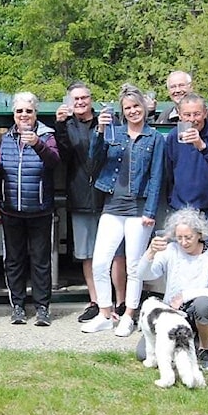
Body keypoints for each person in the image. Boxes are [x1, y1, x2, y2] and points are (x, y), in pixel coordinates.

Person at [81, 84, 165, 336]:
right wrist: (100, 130)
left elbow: (156, 177)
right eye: (127, 108)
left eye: (136, 106)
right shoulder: (113, 133)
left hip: (138, 209)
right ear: (122, 111)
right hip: (112, 205)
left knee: (135, 267)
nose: (132, 111)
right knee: (100, 263)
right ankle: (106, 314)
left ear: (145, 108)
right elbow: (93, 159)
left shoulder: (155, 138)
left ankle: (129, 314)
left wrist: (150, 211)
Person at [54, 81, 126, 323]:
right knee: (88, 253)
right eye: (76, 99)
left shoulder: (106, 120)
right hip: (80, 196)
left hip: (109, 196)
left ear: (91, 99)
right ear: (69, 102)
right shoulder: (67, 125)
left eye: (85, 97)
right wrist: (60, 126)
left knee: (116, 252)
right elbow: (62, 156)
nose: (81, 102)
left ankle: (121, 302)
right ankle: (96, 301)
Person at [136, 208, 208, 371]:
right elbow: (144, 275)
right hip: (173, 312)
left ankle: (204, 349)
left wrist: (187, 295)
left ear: (199, 234)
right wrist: (150, 253)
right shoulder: (170, 250)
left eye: (188, 237)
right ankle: (182, 345)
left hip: (200, 310)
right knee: (143, 354)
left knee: (204, 304)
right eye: (179, 237)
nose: (183, 242)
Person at [0, 92, 61, 326]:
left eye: (28, 111)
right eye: (19, 111)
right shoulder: (6, 138)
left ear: (36, 113)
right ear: (14, 114)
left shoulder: (47, 135)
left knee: (40, 261)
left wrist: (38, 144)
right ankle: (18, 307)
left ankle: (42, 307)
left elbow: (54, 161)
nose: (24, 115)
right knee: (14, 260)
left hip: (40, 210)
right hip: (11, 210)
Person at [164, 92, 208, 254]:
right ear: (180, 115)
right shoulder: (173, 136)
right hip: (183, 210)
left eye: (196, 114)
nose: (192, 119)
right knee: (182, 261)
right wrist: (173, 200)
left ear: (205, 113)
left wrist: (202, 146)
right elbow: (169, 173)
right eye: (187, 115)